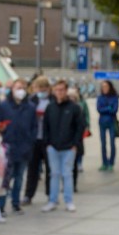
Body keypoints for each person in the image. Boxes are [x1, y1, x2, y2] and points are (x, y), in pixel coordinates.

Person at [42, 80, 85, 212]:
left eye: (62, 90)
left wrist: (75, 144)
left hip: (69, 147)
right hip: (53, 147)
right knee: (54, 174)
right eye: (57, 90)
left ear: (66, 91)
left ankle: (69, 200)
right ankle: (53, 200)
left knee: (67, 174)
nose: (59, 92)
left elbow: (80, 127)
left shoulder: (74, 108)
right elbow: (46, 127)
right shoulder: (50, 107)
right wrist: (48, 144)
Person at [0, 78, 35, 213]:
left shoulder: (30, 107)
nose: (21, 91)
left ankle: (15, 203)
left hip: (24, 147)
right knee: (6, 178)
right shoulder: (3, 105)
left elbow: (33, 126)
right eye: (18, 88)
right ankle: (0, 205)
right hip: (8, 146)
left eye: (23, 88)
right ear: (12, 89)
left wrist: (30, 141)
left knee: (19, 178)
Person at [24, 76, 52, 205]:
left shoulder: (52, 101)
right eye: (38, 87)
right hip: (34, 139)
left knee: (50, 169)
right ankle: (28, 194)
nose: (41, 90)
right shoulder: (31, 101)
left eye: (43, 87)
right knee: (32, 169)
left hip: (48, 139)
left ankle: (50, 194)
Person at [69, 86, 92, 189]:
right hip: (65, 139)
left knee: (75, 159)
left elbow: (84, 118)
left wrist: (86, 127)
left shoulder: (80, 107)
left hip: (76, 137)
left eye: (73, 97)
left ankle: (73, 183)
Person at [96, 80, 119, 171]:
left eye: (106, 86)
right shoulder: (100, 97)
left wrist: (105, 109)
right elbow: (99, 109)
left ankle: (111, 163)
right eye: (103, 87)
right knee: (103, 143)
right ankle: (104, 163)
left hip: (112, 121)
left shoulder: (114, 97)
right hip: (102, 122)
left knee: (112, 143)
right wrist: (108, 107)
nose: (104, 88)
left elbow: (115, 110)